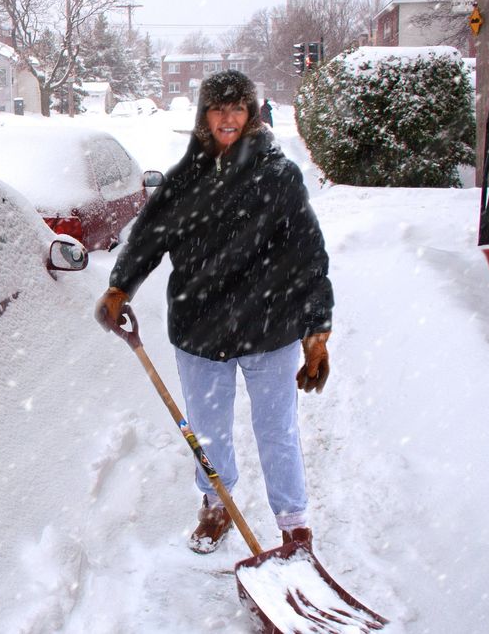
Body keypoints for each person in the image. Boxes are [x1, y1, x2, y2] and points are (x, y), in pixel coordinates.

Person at [94, 70, 333, 555]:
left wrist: (316, 330)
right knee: (206, 431)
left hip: (271, 329)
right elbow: (148, 237)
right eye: (218, 109)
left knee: (277, 430)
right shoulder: (186, 181)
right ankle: (216, 506)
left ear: (251, 116)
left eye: (238, 109)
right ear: (205, 117)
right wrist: (122, 285)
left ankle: (294, 525)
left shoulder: (280, 176)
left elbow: (308, 254)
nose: (228, 118)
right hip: (200, 330)